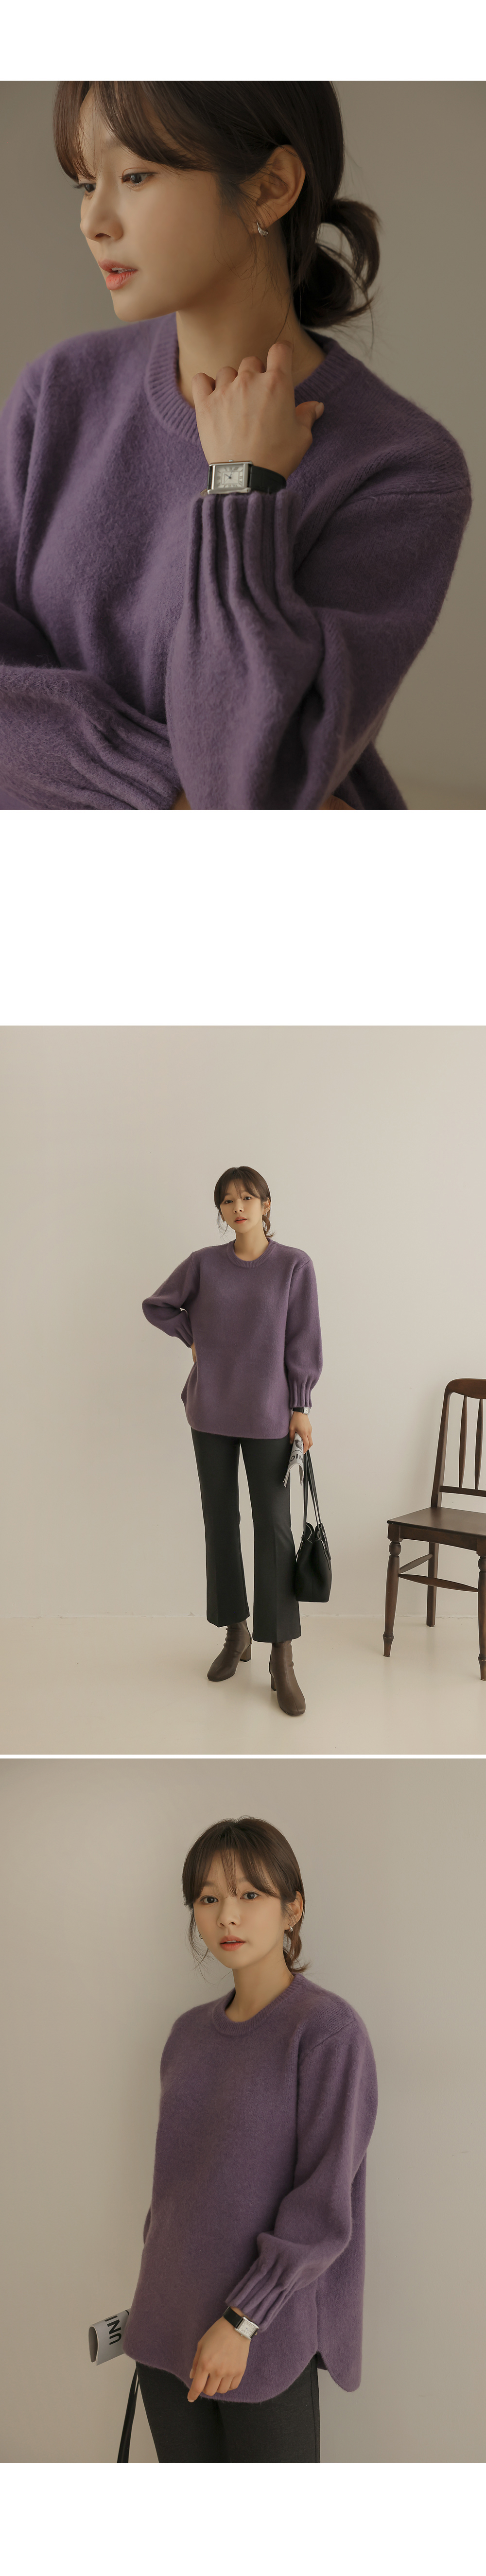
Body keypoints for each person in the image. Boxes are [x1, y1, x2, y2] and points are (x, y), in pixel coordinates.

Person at [0, 81, 471, 811]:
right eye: (86, 184)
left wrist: (243, 487)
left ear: (271, 187)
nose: (94, 221)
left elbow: (253, 787)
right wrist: (163, 798)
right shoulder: (59, 393)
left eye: (136, 177)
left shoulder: (401, 470)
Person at [122, 1812, 378, 2464]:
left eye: (250, 1894)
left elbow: (322, 2210)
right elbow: (175, 2193)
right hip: (164, 2325)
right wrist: (151, 2300)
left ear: (293, 1908)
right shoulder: (186, 2034)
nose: (227, 1916)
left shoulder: (325, 2032)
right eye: (208, 1898)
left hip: (262, 2336)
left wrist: (242, 2320)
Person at [142, 1164, 323, 1715]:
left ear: (266, 1204)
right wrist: (191, 1335)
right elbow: (158, 1306)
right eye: (227, 1200)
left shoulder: (293, 1266)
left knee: (274, 1530)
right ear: (221, 1211)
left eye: (247, 1197)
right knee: (220, 1523)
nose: (237, 1206)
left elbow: (302, 1340)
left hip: (270, 1415)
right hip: (211, 1412)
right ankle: (235, 1631)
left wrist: (300, 1406)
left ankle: (281, 1656)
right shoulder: (202, 1264)